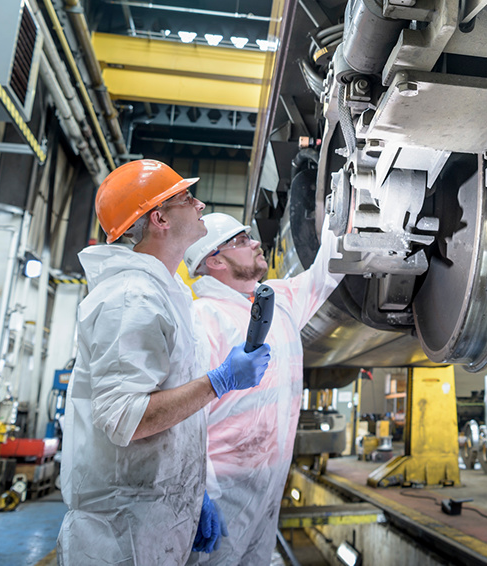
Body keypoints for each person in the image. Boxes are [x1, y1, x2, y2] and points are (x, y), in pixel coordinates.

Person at [58, 160, 273, 565]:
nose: (201, 204)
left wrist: (196, 490)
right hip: (122, 536)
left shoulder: (167, 291)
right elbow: (128, 418)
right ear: (158, 218)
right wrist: (220, 381)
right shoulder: (130, 297)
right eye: (187, 198)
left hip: (153, 519)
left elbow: (171, 412)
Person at [183, 213, 344, 566]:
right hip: (222, 489)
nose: (256, 242)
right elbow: (184, 421)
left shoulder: (276, 301)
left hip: (269, 485)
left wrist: (341, 210)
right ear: (215, 260)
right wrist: (199, 494)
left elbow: (325, 273)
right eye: (241, 241)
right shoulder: (202, 318)